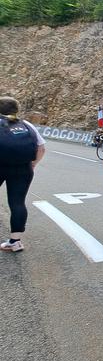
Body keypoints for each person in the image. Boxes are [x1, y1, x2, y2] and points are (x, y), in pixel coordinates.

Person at [0, 97, 46, 252]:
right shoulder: (26, 125)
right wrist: (33, 164)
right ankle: (15, 242)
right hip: (23, 168)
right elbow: (41, 148)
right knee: (17, 203)